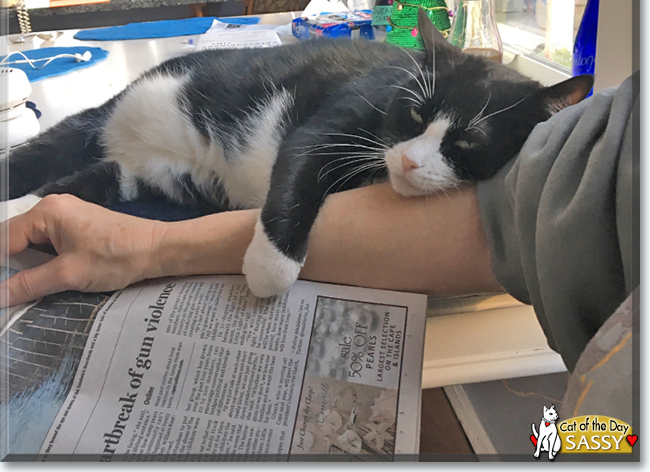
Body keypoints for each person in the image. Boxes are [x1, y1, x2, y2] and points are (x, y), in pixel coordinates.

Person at [1, 73, 638, 377]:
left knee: (77, 189)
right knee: (55, 164)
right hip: (196, 111)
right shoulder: (603, 144)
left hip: (192, 178)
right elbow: (511, 210)